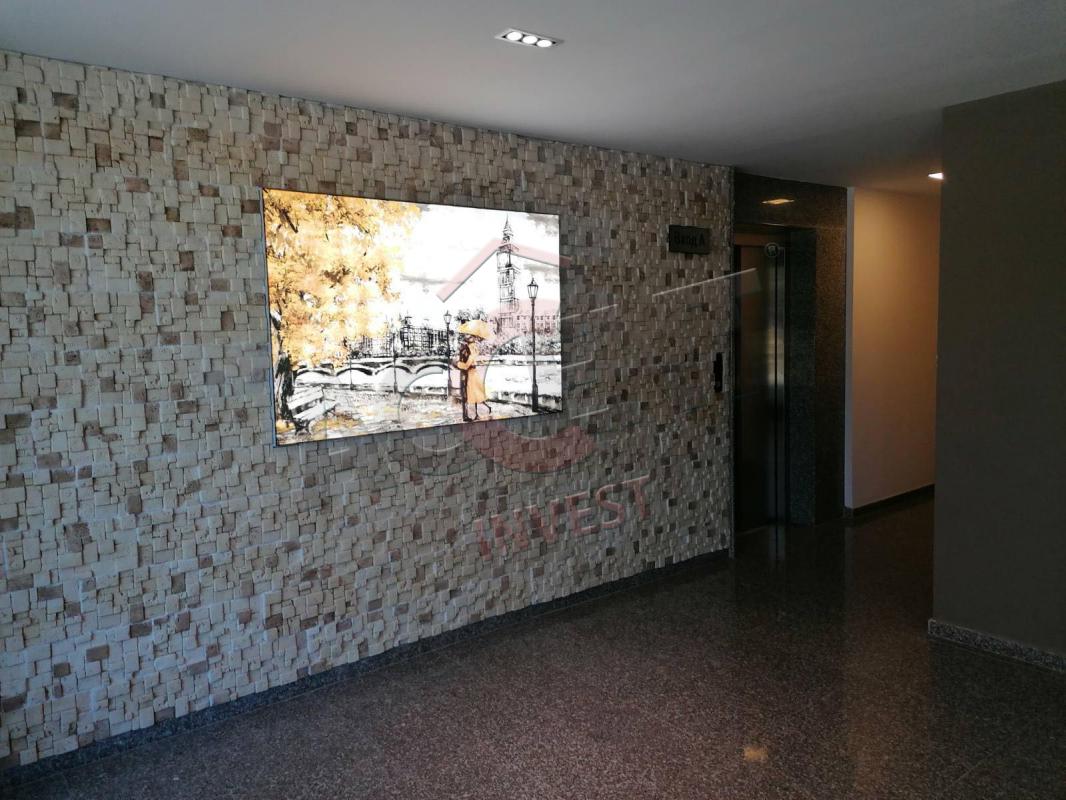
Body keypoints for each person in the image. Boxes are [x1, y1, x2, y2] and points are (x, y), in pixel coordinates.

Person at [456, 335, 491, 421]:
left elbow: (467, 365)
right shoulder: (468, 352)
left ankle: (477, 413)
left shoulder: (472, 353)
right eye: (472, 344)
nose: (474, 346)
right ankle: (475, 413)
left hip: (472, 374)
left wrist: (458, 364)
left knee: (476, 394)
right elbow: (466, 364)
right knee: (474, 394)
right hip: (471, 374)